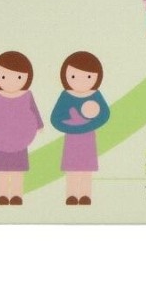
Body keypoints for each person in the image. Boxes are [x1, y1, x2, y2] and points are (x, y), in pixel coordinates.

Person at [0, 51, 42, 205]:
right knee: (2, 170)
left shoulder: (27, 95)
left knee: (18, 170)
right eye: (4, 77)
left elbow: (34, 111)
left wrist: (39, 125)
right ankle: (2, 195)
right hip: (0, 140)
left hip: (20, 139)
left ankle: (16, 195)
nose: (11, 81)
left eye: (18, 77)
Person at [49, 50, 110, 206]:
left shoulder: (95, 95)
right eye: (74, 76)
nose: (80, 81)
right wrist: (72, 125)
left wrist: (85, 125)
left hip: (88, 140)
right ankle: (71, 195)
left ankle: (85, 195)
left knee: (86, 169)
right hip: (71, 141)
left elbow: (104, 115)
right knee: (72, 169)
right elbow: (55, 119)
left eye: (88, 77)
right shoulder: (66, 95)